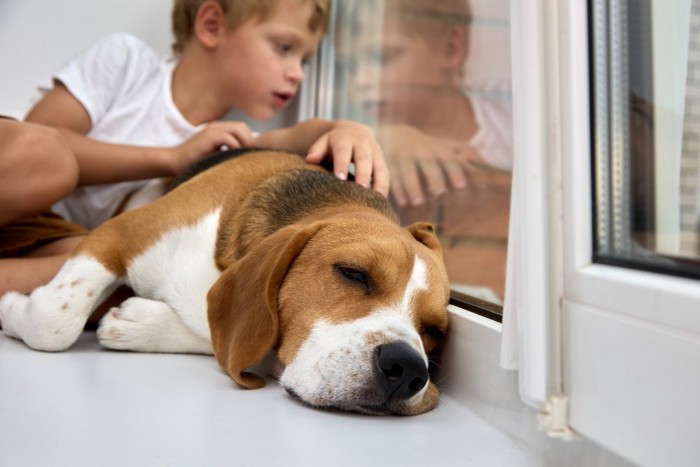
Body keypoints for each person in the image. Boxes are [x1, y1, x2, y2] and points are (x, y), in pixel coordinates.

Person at [0, 0, 389, 298]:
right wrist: (171, 157)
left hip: (41, 232)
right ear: (211, 25)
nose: (297, 73)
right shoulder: (127, 63)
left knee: (117, 275)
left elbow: (292, 139)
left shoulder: (223, 141)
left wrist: (345, 128)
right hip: (12, 179)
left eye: (305, 59)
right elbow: (40, 135)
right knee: (48, 161)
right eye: (284, 47)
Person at [349, 0, 512, 207]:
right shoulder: (366, 147)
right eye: (348, 66)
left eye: (382, 58)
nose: (360, 81)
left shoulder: (514, 104)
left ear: (451, 48)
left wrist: (495, 180)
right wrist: (379, 139)